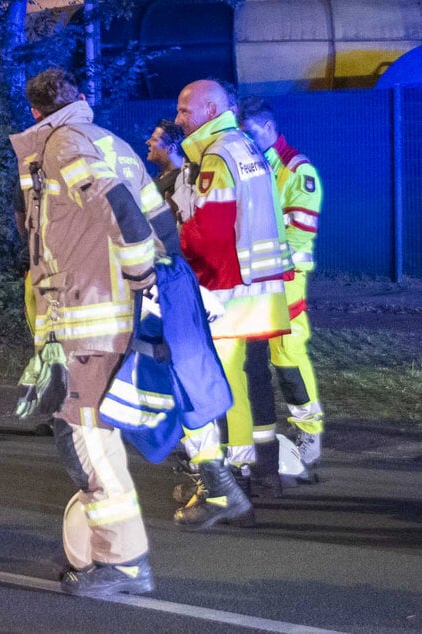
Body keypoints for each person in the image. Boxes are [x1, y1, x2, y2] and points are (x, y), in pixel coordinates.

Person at [9, 68, 178, 599]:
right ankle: (110, 551)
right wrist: (162, 278)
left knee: (88, 439)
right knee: (83, 433)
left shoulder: (63, 146)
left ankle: (123, 562)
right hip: (112, 314)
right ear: (82, 98)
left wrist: (140, 272)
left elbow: (118, 208)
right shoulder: (114, 143)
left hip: (92, 318)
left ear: (35, 111)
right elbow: (161, 221)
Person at [171, 79, 291, 529]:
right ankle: (239, 472)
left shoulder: (218, 155)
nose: (179, 119)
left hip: (226, 286)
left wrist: (172, 245)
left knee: (204, 386)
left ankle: (220, 486)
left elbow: (211, 231)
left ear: (210, 109)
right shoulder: (242, 146)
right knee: (233, 381)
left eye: (185, 110)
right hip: (254, 285)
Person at [239, 97, 324, 478]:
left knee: (286, 356)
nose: (247, 140)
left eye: (252, 133)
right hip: (254, 279)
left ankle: (309, 432)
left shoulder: (296, 171)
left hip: (285, 279)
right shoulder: (253, 166)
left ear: (270, 128)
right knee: (247, 360)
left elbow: (299, 235)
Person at [145, 118, 185, 217]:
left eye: (154, 140)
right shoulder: (158, 179)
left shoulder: (184, 180)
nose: (147, 142)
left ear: (171, 148)